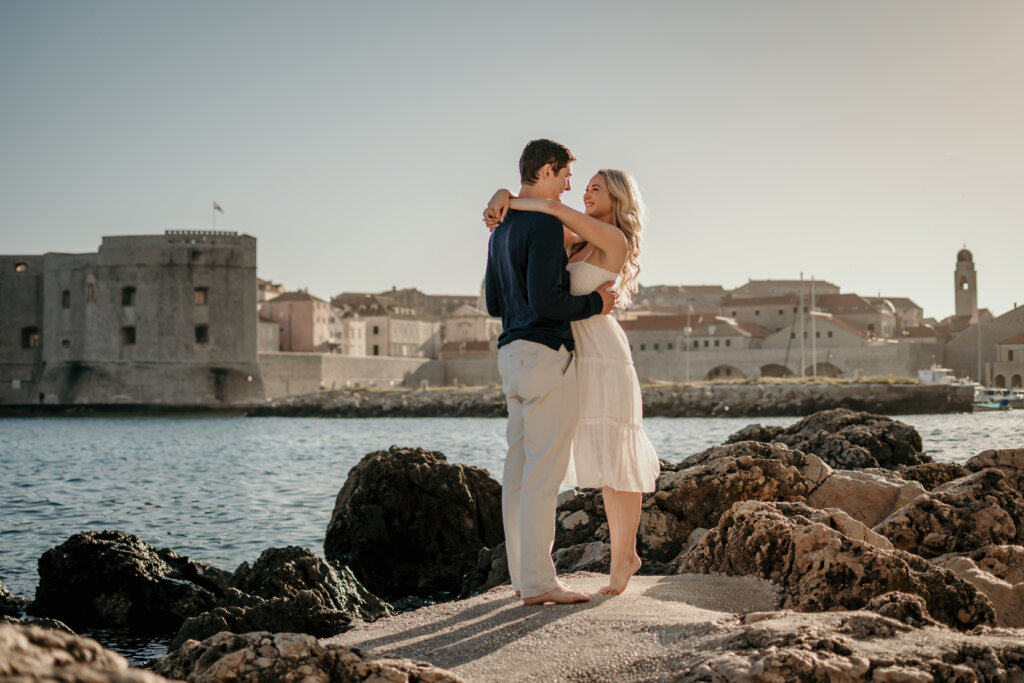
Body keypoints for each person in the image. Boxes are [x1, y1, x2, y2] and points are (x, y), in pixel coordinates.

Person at [485, 168, 660, 595]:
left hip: (604, 353)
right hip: (572, 353)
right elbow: (538, 241)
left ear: (616, 198)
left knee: (618, 453)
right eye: (585, 186)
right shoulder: (575, 240)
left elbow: (548, 206)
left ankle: (624, 556)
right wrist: (503, 198)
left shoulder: (611, 238)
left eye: (595, 188)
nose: (584, 191)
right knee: (601, 458)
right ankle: (617, 554)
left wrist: (505, 195)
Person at [484, 139, 617, 605]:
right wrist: (595, 302)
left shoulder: (499, 231)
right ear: (544, 170)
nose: (568, 184)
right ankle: (539, 583)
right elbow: (548, 301)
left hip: (511, 354)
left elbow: (494, 303)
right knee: (543, 474)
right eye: (563, 174)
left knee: (518, 471)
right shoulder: (541, 224)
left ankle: (523, 578)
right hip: (545, 353)